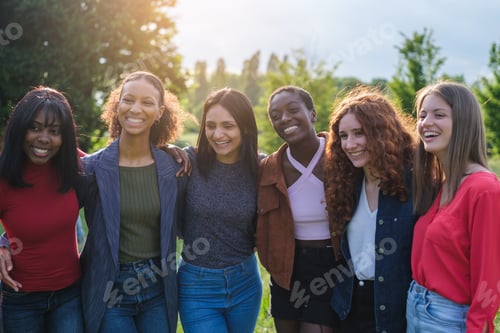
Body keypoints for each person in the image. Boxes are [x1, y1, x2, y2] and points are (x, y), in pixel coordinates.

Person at [78, 71, 184, 333]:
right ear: (117, 105)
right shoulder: (91, 168)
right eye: (129, 100)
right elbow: (50, 208)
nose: (136, 109)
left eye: (147, 102)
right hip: (110, 289)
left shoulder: (173, 167)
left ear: (160, 112)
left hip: (158, 288)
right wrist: (6, 241)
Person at [406, 81, 500, 333]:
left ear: (464, 122)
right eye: (422, 115)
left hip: (449, 319)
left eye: (439, 114)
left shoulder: (484, 189)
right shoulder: (442, 184)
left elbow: (489, 281)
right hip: (415, 307)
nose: (426, 122)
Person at [323, 86, 417, 332]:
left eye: (359, 133)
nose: (350, 144)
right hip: (350, 306)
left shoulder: (415, 184)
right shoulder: (346, 185)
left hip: (395, 307)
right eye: (343, 136)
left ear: (381, 133)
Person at [177, 88, 262, 333]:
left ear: (245, 127)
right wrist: (169, 149)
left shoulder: (261, 168)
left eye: (228, 126)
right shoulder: (188, 162)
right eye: (211, 125)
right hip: (197, 286)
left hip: (245, 282)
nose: (218, 134)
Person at [256, 85, 340, 333]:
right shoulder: (268, 169)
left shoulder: (341, 158)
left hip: (331, 268)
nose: (285, 119)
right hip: (286, 269)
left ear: (313, 114)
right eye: (275, 115)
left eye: (293, 110)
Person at [0, 86, 84, 332]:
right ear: (20, 129)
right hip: (20, 301)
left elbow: (123, 160)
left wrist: (167, 151)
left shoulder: (75, 164)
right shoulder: (3, 176)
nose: (44, 138)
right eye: (34, 127)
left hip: (69, 296)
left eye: (54, 131)